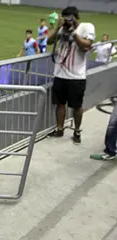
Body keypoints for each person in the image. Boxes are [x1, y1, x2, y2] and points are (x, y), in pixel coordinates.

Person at [47, 6, 95, 144]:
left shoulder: (86, 27)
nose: (68, 20)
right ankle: (60, 129)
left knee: (77, 106)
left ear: (76, 17)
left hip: (76, 76)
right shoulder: (62, 29)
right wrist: (57, 28)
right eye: (66, 17)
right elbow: (48, 41)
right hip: (60, 74)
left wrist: (73, 32)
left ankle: (77, 130)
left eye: (70, 18)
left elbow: (86, 45)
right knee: (60, 104)